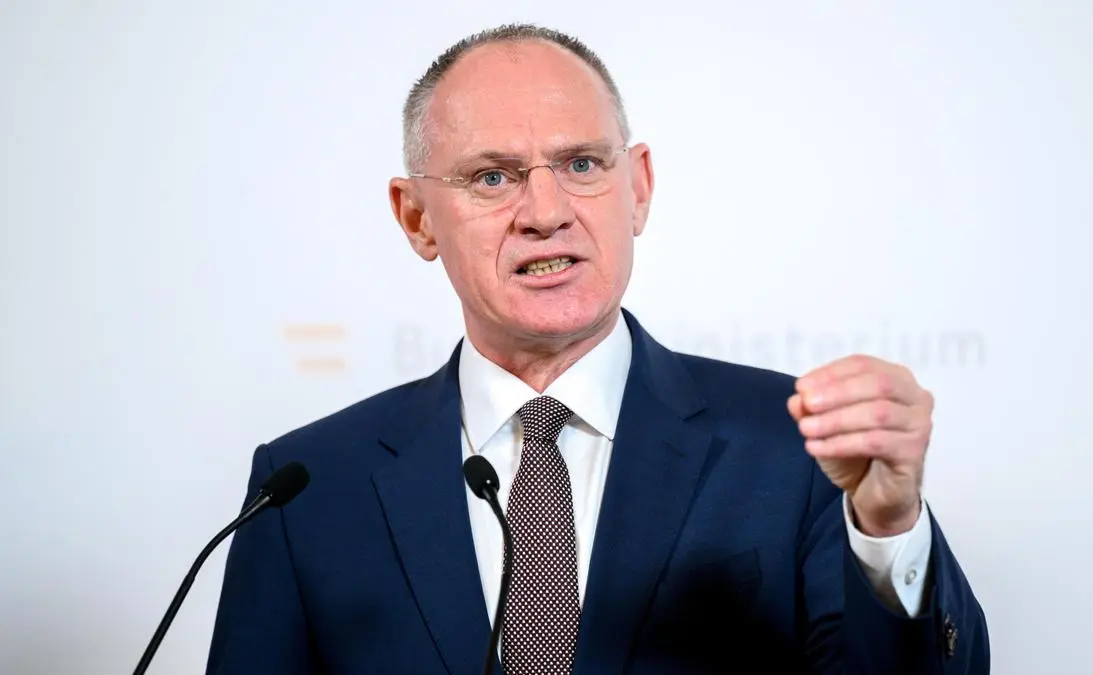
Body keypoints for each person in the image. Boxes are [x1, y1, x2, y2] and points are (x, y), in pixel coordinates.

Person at [206, 23, 989, 675]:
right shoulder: (303, 490)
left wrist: (888, 526)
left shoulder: (800, 445)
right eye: (493, 177)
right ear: (416, 218)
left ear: (637, 187)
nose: (546, 212)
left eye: (581, 164)